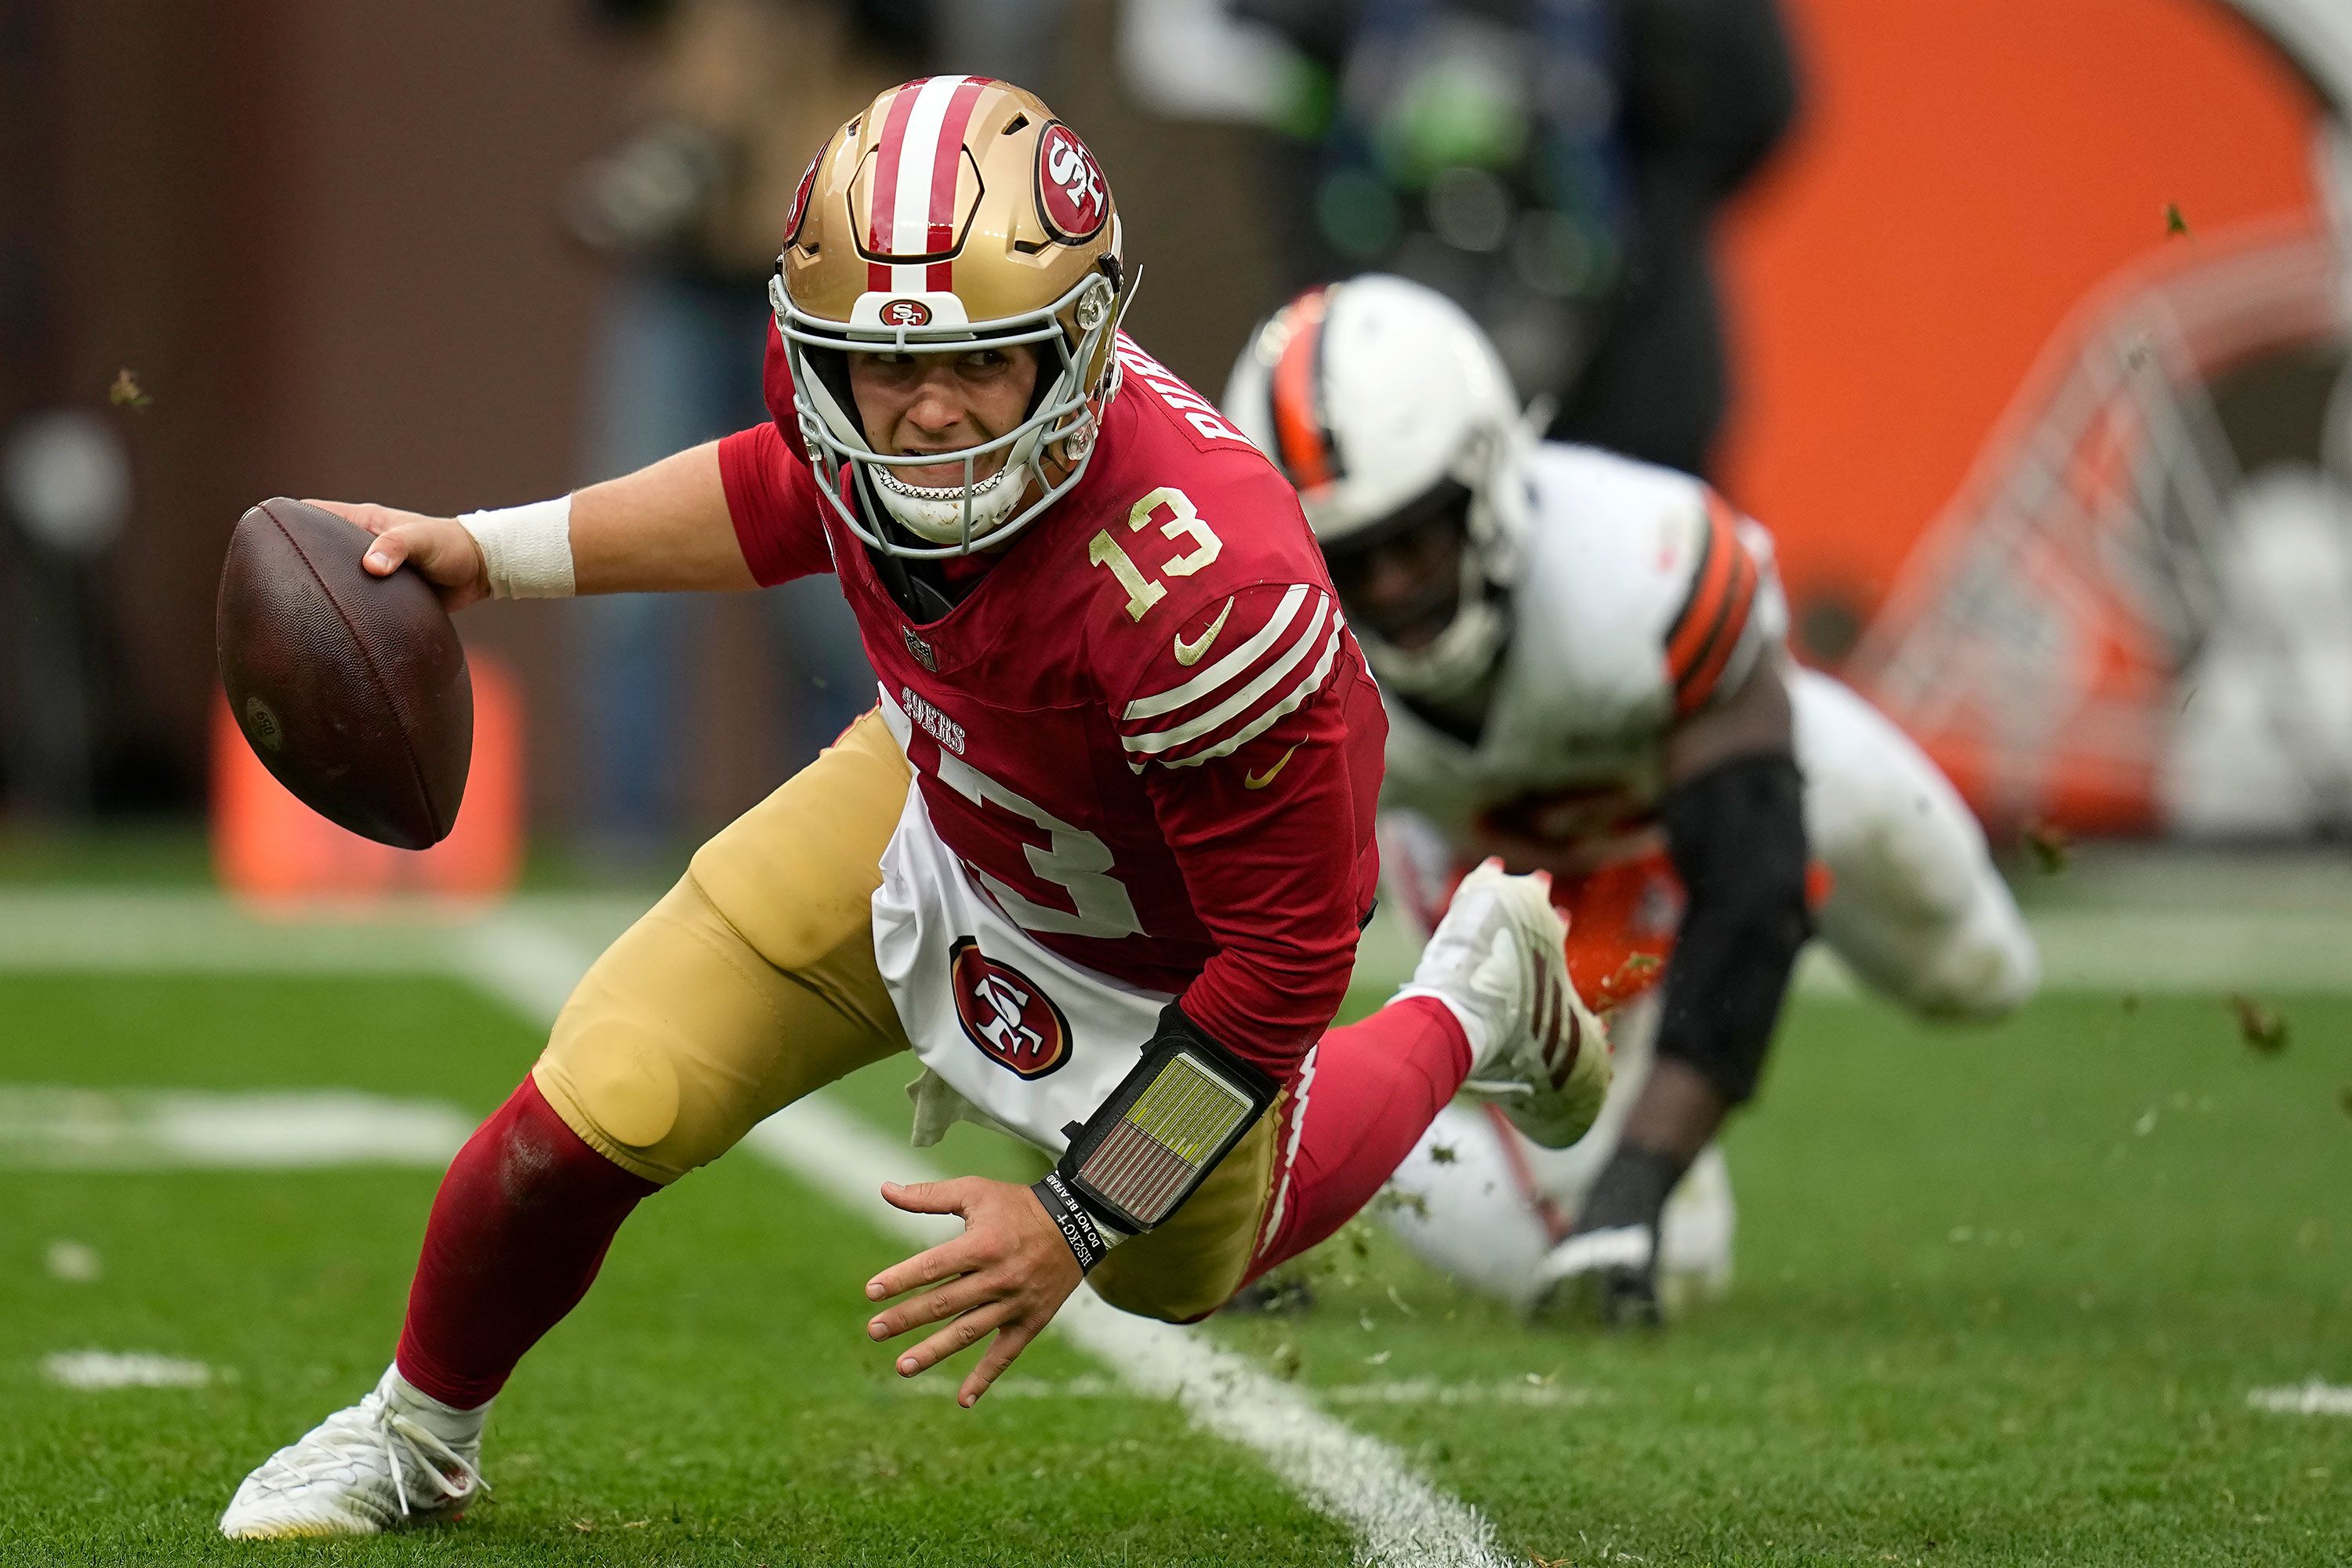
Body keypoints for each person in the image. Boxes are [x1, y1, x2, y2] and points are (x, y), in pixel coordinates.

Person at [216, 81, 1610, 1539]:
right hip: (939, 792)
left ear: (1075, 346)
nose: (929, 413)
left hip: (1164, 959)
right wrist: (488, 555)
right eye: (886, 370)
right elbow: (782, 488)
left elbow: (1279, 976)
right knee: (605, 1090)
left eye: (984, 365)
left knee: (1173, 1269)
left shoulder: (1206, 591)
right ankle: (414, 1436)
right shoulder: (844, 399)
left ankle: (1472, 998)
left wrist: (1078, 1217)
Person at [1222, 274, 2038, 1325]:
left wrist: (1639, 1173)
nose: (1386, 590)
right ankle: (1318, 1147)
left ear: (1489, 480)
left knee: (1978, 971)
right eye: (1348, 558)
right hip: (1519, 894)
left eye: (1414, 539)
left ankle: (1338, 1146)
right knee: (1656, 1260)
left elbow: (1752, 890)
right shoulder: (1273, 652)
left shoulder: (1638, 571)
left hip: (1724, 781)